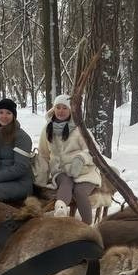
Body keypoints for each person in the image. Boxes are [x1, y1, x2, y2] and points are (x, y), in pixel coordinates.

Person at [34, 93, 101, 223]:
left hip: (85, 171)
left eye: (65, 108)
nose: (61, 111)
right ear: (53, 109)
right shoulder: (47, 129)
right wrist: (41, 176)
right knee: (65, 181)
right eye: (58, 107)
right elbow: (43, 154)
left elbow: (93, 151)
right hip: (61, 171)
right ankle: (61, 211)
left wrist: (81, 159)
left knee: (79, 192)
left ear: (71, 110)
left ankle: (87, 225)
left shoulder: (80, 129)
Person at [0, 98, 34, 204]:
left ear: (14, 116)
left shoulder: (21, 137)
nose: (4, 116)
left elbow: (20, 167)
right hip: (1, 179)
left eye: (8, 113)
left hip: (20, 183)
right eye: (1, 112)